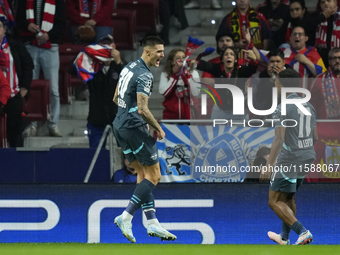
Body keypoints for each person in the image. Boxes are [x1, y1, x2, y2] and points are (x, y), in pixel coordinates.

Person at [112, 36, 176, 243]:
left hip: (119, 125)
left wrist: (129, 116)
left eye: (163, 51)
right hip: (133, 127)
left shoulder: (128, 67)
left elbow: (116, 98)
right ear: (147, 52)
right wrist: (158, 127)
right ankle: (126, 216)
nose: (162, 55)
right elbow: (142, 108)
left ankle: (152, 222)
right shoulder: (144, 75)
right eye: (159, 51)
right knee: (155, 175)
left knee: (143, 172)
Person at [260, 69, 318, 245]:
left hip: (290, 158)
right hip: (308, 156)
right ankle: (284, 237)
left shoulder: (281, 107)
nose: (275, 84)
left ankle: (303, 232)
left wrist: (269, 165)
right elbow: (314, 137)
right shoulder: (309, 105)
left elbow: (279, 138)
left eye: (277, 81)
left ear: (282, 85)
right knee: (288, 198)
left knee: (274, 201)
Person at [16, 0, 66, 137]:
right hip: (30, 45)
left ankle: (53, 124)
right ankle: (32, 123)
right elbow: (18, 19)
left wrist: (49, 35)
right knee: (30, 86)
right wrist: (27, 25)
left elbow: (62, 23)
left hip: (51, 46)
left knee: (54, 89)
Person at [69, 34, 124, 148]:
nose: (106, 48)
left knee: (126, 155)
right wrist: (87, 53)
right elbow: (71, 69)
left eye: (109, 45)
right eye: (103, 45)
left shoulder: (120, 64)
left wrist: (119, 62)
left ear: (114, 46)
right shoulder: (90, 65)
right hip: (96, 119)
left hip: (118, 117)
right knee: (97, 155)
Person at [194, 46, 258, 119]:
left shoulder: (241, 70)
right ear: (222, 59)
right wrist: (198, 58)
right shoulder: (216, 68)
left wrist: (254, 60)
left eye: (232, 54)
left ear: (236, 59)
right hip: (220, 109)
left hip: (239, 111)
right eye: (226, 54)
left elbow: (253, 69)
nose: (229, 56)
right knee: (215, 131)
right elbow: (202, 65)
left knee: (241, 131)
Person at [0, 19, 34, 147]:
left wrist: (24, 87)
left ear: (4, 29)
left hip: (14, 93)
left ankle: (17, 160)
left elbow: (28, 64)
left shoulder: (15, 44)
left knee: (15, 131)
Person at [247, 49, 292, 119]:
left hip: (288, 113)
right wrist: (271, 79)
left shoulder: (292, 74)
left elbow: (291, 96)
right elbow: (260, 98)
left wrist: (280, 77)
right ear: (268, 63)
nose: (275, 64)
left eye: (278, 61)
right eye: (272, 61)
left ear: (284, 62)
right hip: (269, 114)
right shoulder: (264, 75)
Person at [159, 48, 200, 119]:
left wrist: (188, 75)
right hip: (171, 116)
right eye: (178, 58)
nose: (181, 60)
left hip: (191, 115)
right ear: (172, 62)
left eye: (183, 57)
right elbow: (164, 92)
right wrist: (175, 76)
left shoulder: (193, 73)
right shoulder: (165, 74)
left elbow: (195, 92)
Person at [310, 47, 340, 119]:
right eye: (334, 58)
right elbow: (312, 104)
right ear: (329, 62)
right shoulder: (320, 79)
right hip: (325, 126)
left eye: (339, 58)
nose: (337, 61)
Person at [314, 0, 340, 67]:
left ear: (335, 2)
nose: (326, 3)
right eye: (323, 2)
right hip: (322, 57)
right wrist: (323, 16)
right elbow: (307, 26)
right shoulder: (317, 17)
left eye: (328, 1)